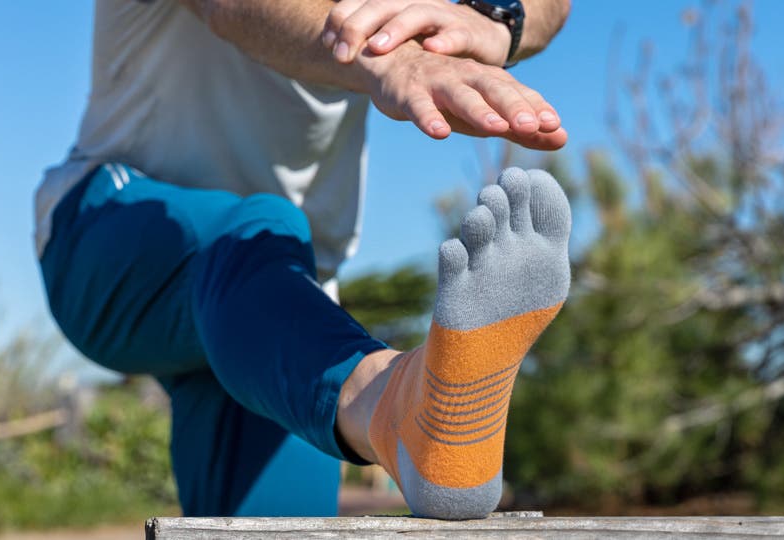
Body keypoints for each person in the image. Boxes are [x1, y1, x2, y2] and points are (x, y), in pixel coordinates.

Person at [34, 0, 571, 520]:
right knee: (261, 228)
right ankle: (394, 405)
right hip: (109, 236)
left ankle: (413, 437)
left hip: (282, 322)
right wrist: (397, 57)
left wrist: (495, 17)